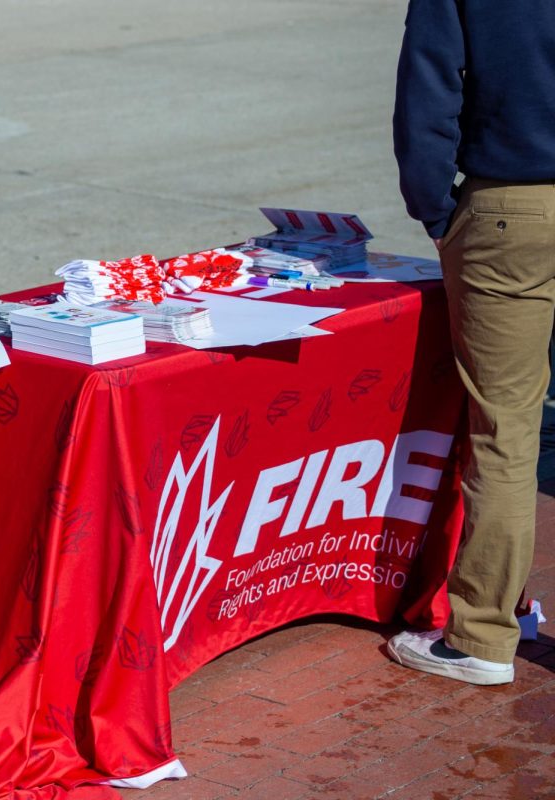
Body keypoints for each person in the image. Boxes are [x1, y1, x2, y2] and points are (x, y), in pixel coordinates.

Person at [389, 0, 553, 685]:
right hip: (512, 204)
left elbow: (429, 87)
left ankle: (483, 636)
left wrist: (435, 209)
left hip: (511, 205)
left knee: (506, 431)